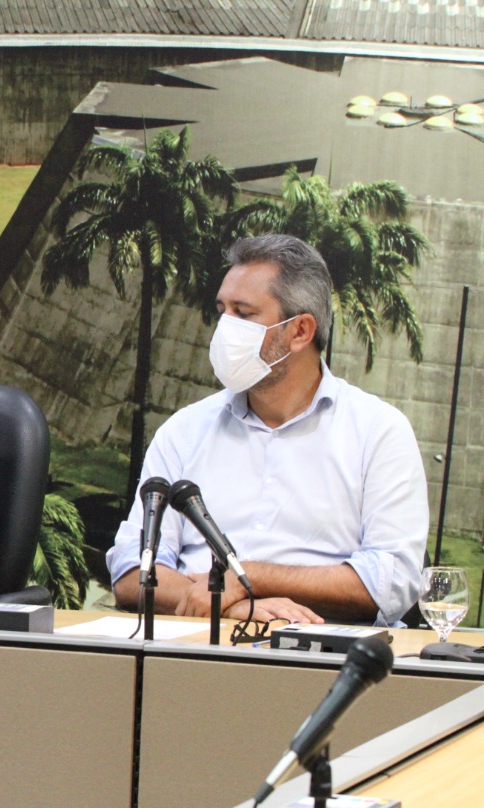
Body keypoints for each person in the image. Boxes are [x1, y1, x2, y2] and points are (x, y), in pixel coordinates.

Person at [106, 234, 428, 626]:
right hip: (193, 642)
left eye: (243, 314)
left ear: (300, 331)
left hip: (321, 648)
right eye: (222, 311)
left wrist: (250, 578)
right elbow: (131, 570)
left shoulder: (378, 431)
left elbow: (390, 583)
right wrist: (231, 606)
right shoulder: (185, 430)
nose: (225, 327)